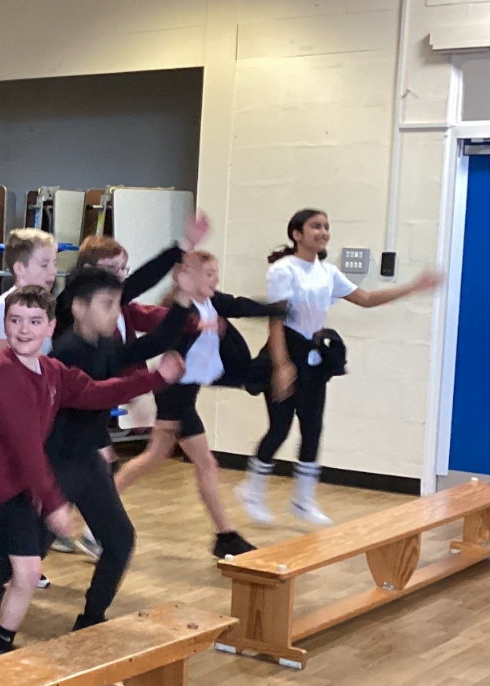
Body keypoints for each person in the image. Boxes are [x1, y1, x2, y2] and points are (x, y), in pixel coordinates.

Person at [0, 287, 181, 657]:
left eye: (34, 321)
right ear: (5, 325)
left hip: (12, 496)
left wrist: (156, 378)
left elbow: (97, 392)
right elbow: (26, 448)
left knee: (27, 572)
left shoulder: (51, 371)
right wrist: (54, 503)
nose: (24, 329)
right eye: (15, 321)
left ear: (50, 327)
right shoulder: (1, 376)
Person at [237, 209, 441, 526]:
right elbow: (276, 320)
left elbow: (367, 299)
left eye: (326, 227)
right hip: (285, 351)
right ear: (297, 234)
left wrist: (412, 287)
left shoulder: (328, 272)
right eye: (315, 226)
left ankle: (303, 500)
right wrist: (282, 365)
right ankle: (252, 490)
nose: (323, 232)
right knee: (280, 428)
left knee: (313, 428)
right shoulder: (283, 270)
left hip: (314, 355)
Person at [112, 251, 294, 558]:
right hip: (175, 393)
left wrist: (276, 308)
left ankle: (224, 535)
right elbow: (169, 339)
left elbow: (241, 306)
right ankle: (225, 535)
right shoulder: (179, 310)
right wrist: (201, 326)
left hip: (187, 393)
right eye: (209, 274)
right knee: (199, 463)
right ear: (189, 278)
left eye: (215, 273)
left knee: (157, 458)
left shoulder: (213, 302)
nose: (216, 279)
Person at [59, 213, 211, 558]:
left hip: (89, 412)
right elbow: (139, 283)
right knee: (74, 477)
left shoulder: (111, 318)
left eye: (122, 269)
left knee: (93, 477)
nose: (119, 277)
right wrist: (182, 247)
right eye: (111, 269)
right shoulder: (74, 306)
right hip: (66, 414)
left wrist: (185, 305)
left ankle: (71, 533)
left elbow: (148, 342)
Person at [0, 228, 58, 381]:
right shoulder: (4, 306)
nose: (53, 271)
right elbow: (3, 365)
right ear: (19, 268)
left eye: (54, 263)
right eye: (44, 265)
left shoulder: (44, 305)